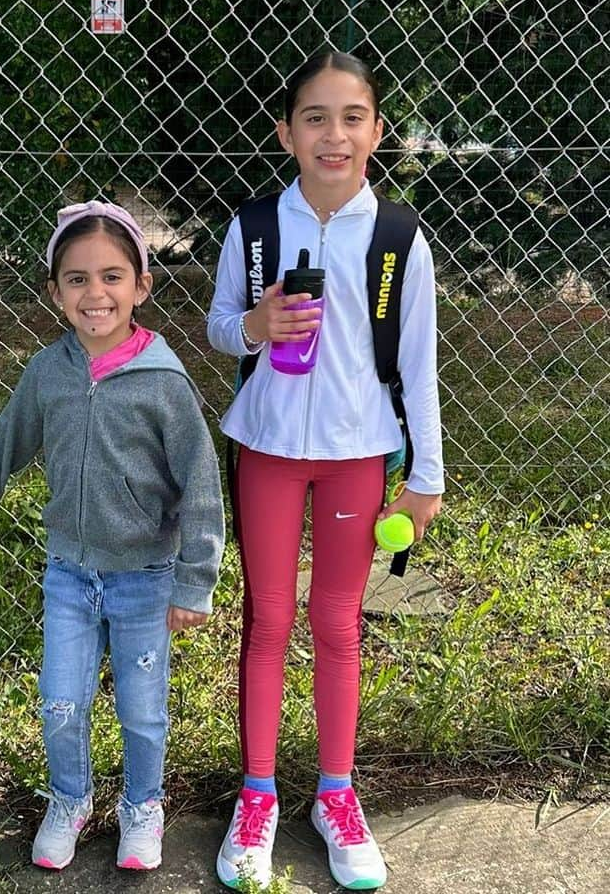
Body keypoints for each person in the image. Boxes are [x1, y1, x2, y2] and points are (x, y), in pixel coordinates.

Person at [0, 200, 225, 873]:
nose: (97, 294)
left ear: (141, 286)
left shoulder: (164, 384)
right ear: (56, 292)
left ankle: (143, 807)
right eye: (78, 279)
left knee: (143, 712)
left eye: (113, 277)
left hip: (146, 578)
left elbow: (201, 486)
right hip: (69, 575)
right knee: (61, 703)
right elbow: (10, 441)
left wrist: (194, 580)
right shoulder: (48, 372)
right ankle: (71, 799)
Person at [207, 52, 444, 891]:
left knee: (336, 620)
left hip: (357, 455)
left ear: (378, 132)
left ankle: (336, 793)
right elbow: (220, 329)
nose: (333, 134)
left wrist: (427, 477)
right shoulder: (256, 224)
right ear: (286, 133)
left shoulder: (399, 237)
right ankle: (260, 793)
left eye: (352, 117)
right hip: (268, 446)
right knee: (268, 616)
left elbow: (418, 366)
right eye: (314, 117)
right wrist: (258, 323)